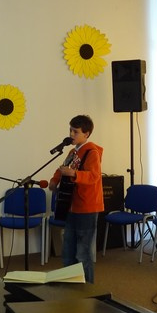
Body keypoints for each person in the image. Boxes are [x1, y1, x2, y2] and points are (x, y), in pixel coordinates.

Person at [48, 115, 103, 283]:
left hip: (87, 207)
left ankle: (88, 288)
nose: (71, 134)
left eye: (75, 131)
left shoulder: (92, 152)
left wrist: (74, 173)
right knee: (68, 251)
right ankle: (70, 285)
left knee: (83, 252)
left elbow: (94, 176)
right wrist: (54, 180)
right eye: (70, 130)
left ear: (86, 134)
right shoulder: (73, 152)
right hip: (71, 206)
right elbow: (62, 169)